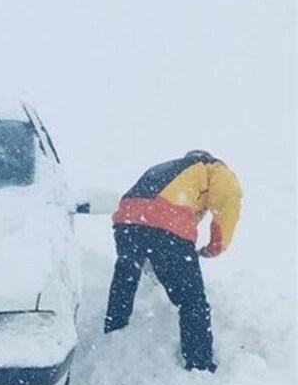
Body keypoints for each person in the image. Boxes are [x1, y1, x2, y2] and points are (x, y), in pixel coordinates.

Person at [102, 150, 242, 372]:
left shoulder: (169, 169)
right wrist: (215, 246)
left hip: (126, 221)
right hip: (165, 229)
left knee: (126, 276)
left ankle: (112, 335)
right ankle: (200, 366)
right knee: (193, 301)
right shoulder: (213, 169)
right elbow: (228, 201)